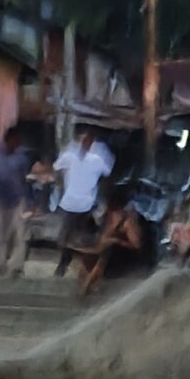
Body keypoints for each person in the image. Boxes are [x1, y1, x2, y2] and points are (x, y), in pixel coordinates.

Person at [50, 127, 116, 276]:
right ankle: (64, 262)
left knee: (81, 236)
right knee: (64, 237)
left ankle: (81, 264)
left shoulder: (98, 158)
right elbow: (57, 167)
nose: (85, 143)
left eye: (88, 140)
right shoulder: (70, 155)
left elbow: (108, 171)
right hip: (69, 203)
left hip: (86, 204)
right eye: (83, 140)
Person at [71, 183, 153, 298]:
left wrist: (115, 239)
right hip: (119, 259)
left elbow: (137, 246)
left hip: (125, 253)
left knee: (104, 247)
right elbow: (101, 248)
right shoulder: (118, 224)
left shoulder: (123, 223)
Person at [0, 127, 33, 278]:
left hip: (16, 200)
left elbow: (24, 179)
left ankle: (17, 267)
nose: (17, 143)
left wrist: (29, 201)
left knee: (19, 234)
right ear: (8, 139)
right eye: (15, 140)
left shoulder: (22, 158)